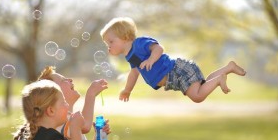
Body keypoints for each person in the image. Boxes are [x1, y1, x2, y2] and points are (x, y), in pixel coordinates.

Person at [100, 16, 247, 103]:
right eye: (107, 44)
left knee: (197, 97)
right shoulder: (130, 56)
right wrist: (127, 90)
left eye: (111, 42)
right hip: (175, 77)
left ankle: (220, 78)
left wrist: (151, 59)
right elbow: (134, 74)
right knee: (203, 87)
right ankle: (228, 68)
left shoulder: (139, 43)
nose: (109, 46)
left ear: (125, 37)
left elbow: (158, 48)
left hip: (177, 71)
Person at [8, 66, 110, 140]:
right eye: (63, 102)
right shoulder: (56, 130)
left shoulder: (37, 134)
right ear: (50, 109)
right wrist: (91, 94)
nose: (70, 80)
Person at [7, 79, 85, 140]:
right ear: (51, 111)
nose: (67, 105)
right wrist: (75, 128)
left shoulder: (26, 136)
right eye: (64, 102)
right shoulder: (49, 138)